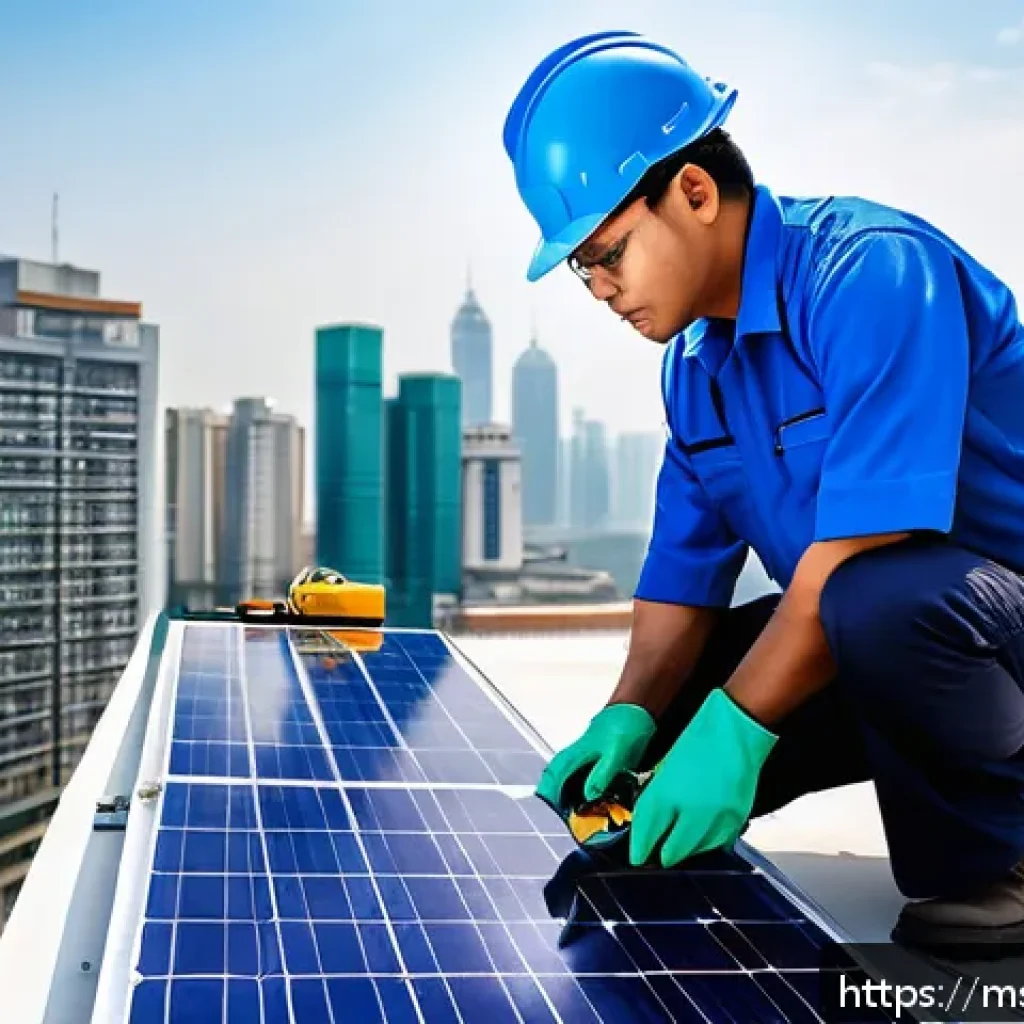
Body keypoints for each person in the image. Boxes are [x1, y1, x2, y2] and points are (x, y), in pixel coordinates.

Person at [502, 30, 1024, 954]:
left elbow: (868, 551)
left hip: (981, 625)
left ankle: (999, 864)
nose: (599, 289)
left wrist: (739, 731)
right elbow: (680, 585)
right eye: (582, 268)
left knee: (879, 598)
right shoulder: (695, 368)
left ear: (693, 193)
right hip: (896, 640)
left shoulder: (871, 273)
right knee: (677, 712)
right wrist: (631, 714)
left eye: (608, 252)